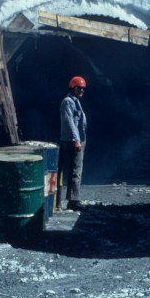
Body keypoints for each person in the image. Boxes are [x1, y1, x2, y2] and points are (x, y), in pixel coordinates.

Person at [58, 75, 88, 211]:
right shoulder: (68, 102)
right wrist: (76, 140)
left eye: (83, 89)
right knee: (75, 170)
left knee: (73, 171)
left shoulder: (75, 101)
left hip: (76, 139)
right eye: (79, 88)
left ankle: (71, 199)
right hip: (71, 141)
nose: (82, 91)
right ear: (72, 88)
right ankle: (73, 200)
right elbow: (69, 122)